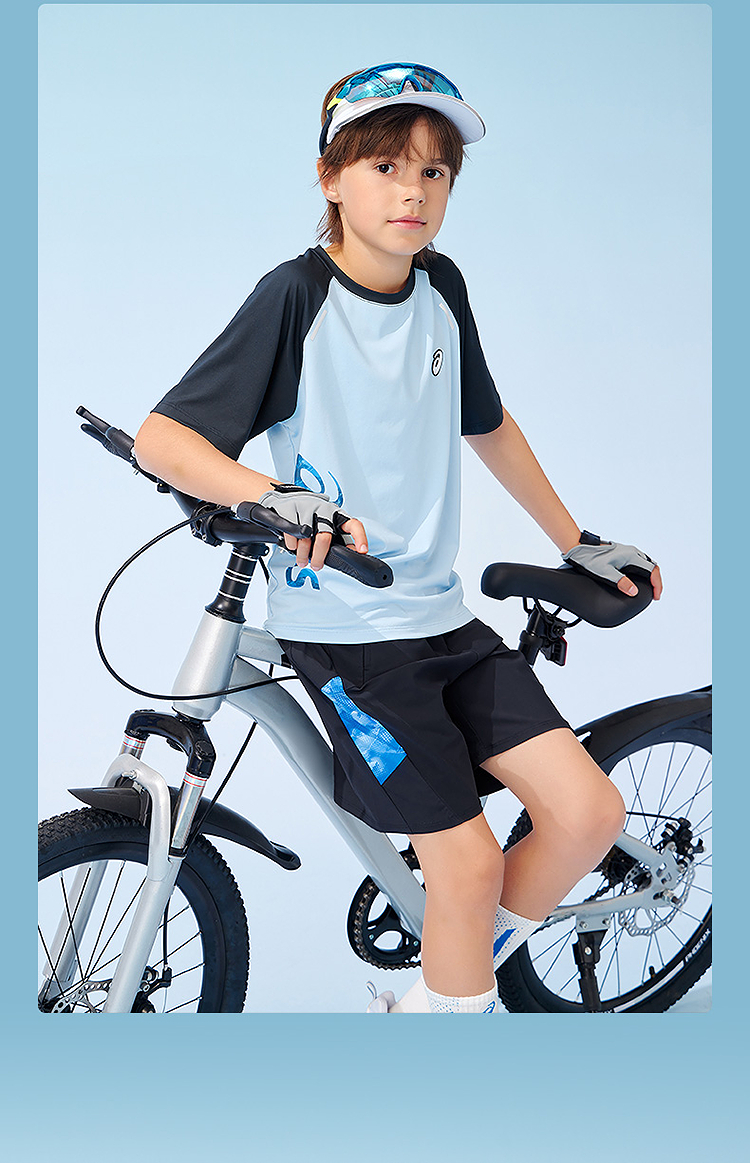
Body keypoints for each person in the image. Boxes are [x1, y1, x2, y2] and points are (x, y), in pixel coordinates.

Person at [134, 62, 662, 1014]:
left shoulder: (441, 287)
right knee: (466, 867)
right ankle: (454, 1016)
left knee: (590, 812)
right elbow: (164, 439)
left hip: (443, 622)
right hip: (350, 638)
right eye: (384, 166)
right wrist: (275, 495)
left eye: (434, 172)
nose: (412, 191)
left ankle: (442, 987)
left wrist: (576, 538)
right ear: (331, 177)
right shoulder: (296, 296)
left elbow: (486, 422)